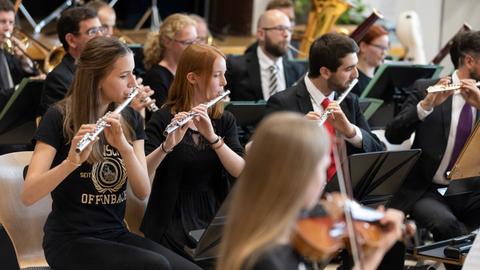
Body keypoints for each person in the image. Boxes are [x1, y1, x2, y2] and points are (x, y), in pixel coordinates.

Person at [21, 36, 200, 270]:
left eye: (133, 74)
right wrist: (71, 162)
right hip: (70, 240)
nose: (133, 84)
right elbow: (29, 195)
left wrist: (125, 147)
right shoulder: (58, 117)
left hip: (115, 233)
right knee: (155, 266)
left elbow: (141, 190)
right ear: (97, 78)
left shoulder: (131, 118)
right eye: (124, 76)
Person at [217, 112, 406, 270]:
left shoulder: (273, 232)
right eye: (323, 169)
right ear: (299, 175)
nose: (325, 179)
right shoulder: (268, 261)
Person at [385, 30, 480, 270]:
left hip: (468, 189)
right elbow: (393, 134)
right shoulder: (426, 87)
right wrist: (425, 106)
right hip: (426, 188)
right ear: (470, 61)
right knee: (448, 226)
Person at [141, 43, 245, 261]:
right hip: (170, 219)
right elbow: (143, 171)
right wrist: (167, 146)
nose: (224, 82)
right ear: (192, 78)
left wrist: (214, 139)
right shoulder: (163, 118)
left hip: (214, 218)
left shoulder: (224, 120)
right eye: (217, 75)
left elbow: (240, 171)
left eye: (224, 75)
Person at [266, 32, 384, 157]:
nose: (356, 75)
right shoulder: (282, 103)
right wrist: (296, 135)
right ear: (325, 72)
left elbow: (377, 150)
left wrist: (351, 131)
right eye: (349, 69)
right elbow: (263, 155)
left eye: (356, 67)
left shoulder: (350, 101)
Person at [37, 6, 106, 117]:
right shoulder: (58, 79)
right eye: (92, 31)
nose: (100, 36)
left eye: (100, 29)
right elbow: (61, 126)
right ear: (71, 40)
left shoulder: (106, 66)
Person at [226, 9, 304, 101]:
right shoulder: (235, 67)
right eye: (280, 29)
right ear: (261, 34)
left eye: (289, 29)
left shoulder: (297, 71)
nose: (286, 34)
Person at [142, 13, 197, 110]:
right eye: (187, 42)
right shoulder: (156, 77)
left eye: (195, 41)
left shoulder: (188, 71)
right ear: (167, 42)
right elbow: (164, 117)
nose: (194, 47)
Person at [0, 0, 39, 108]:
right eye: (3, 21)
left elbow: (30, 76)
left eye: (11, 22)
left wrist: (24, 58)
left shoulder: (9, 51)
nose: (8, 28)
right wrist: (22, 87)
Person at [351, 24, 389, 96]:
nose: (384, 53)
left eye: (386, 48)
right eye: (381, 47)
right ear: (363, 46)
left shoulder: (383, 78)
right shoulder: (352, 80)